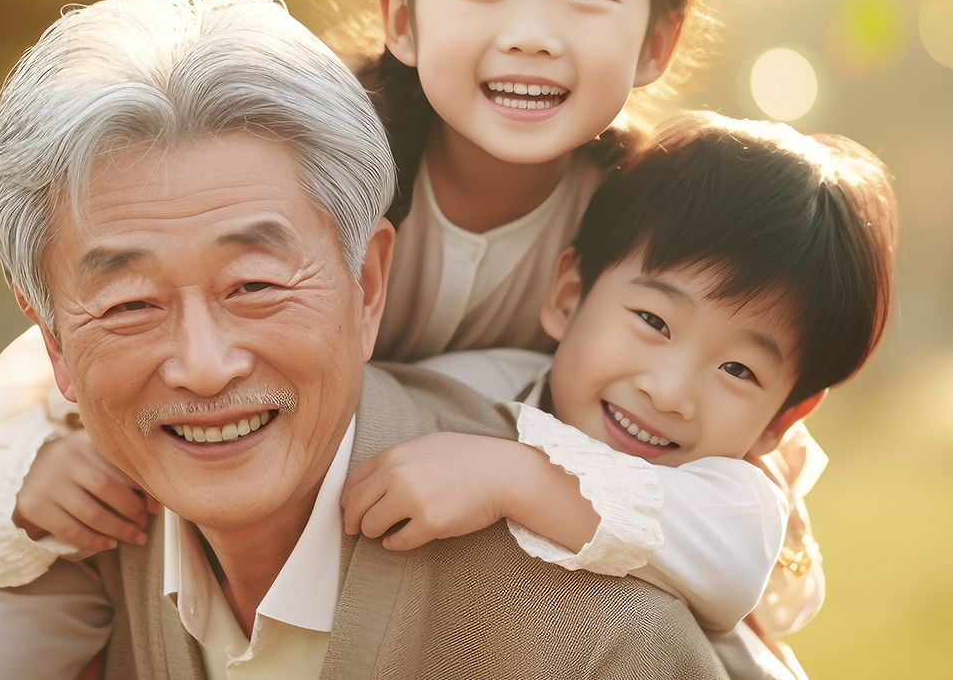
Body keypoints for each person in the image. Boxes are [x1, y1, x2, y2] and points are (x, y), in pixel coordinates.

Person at [0, 0, 726, 679]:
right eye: (130, 303)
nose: (204, 364)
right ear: (56, 345)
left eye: (254, 285)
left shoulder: (594, 637)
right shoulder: (72, 581)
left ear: (368, 284)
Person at [341, 112, 898, 680]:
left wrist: (509, 477)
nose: (669, 391)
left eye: (737, 368)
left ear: (782, 419)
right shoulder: (486, 384)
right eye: (654, 320)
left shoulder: (739, 501)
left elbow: (734, 569)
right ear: (568, 295)